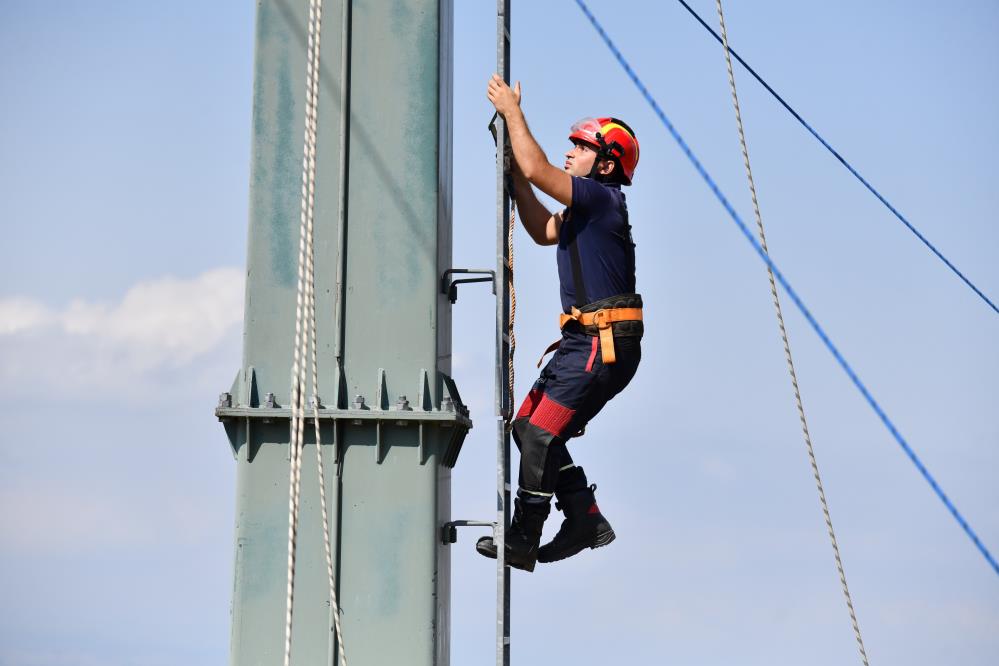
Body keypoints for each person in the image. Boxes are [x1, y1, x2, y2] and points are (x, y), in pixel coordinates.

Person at [476, 74, 644, 572]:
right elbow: (540, 228)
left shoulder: (600, 198)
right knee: (527, 427)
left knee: (540, 436)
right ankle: (583, 516)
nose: (571, 152)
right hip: (583, 342)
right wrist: (516, 180)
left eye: (581, 147)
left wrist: (512, 111)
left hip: (601, 344)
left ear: (606, 164)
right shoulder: (581, 212)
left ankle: (525, 535)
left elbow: (537, 167)